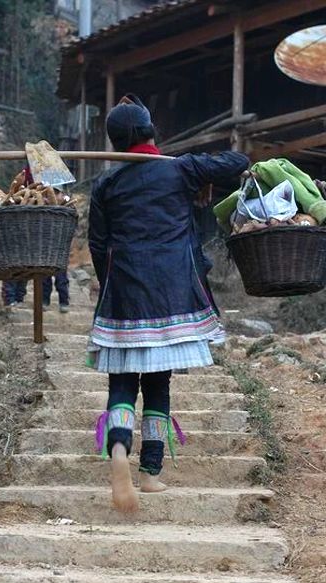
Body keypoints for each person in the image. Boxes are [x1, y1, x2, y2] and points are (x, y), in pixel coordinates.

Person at [88, 93, 249, 513]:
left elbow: (98, 244)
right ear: (150, 133)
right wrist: (196, 163)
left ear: (115, 143)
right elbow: (238, 163)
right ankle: (150, 473)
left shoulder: (106, 184)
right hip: (171, 297)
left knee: (122, 384)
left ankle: (120, 450)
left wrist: (111, 288)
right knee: (159, 383)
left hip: (124, 295)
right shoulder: (180, 170)